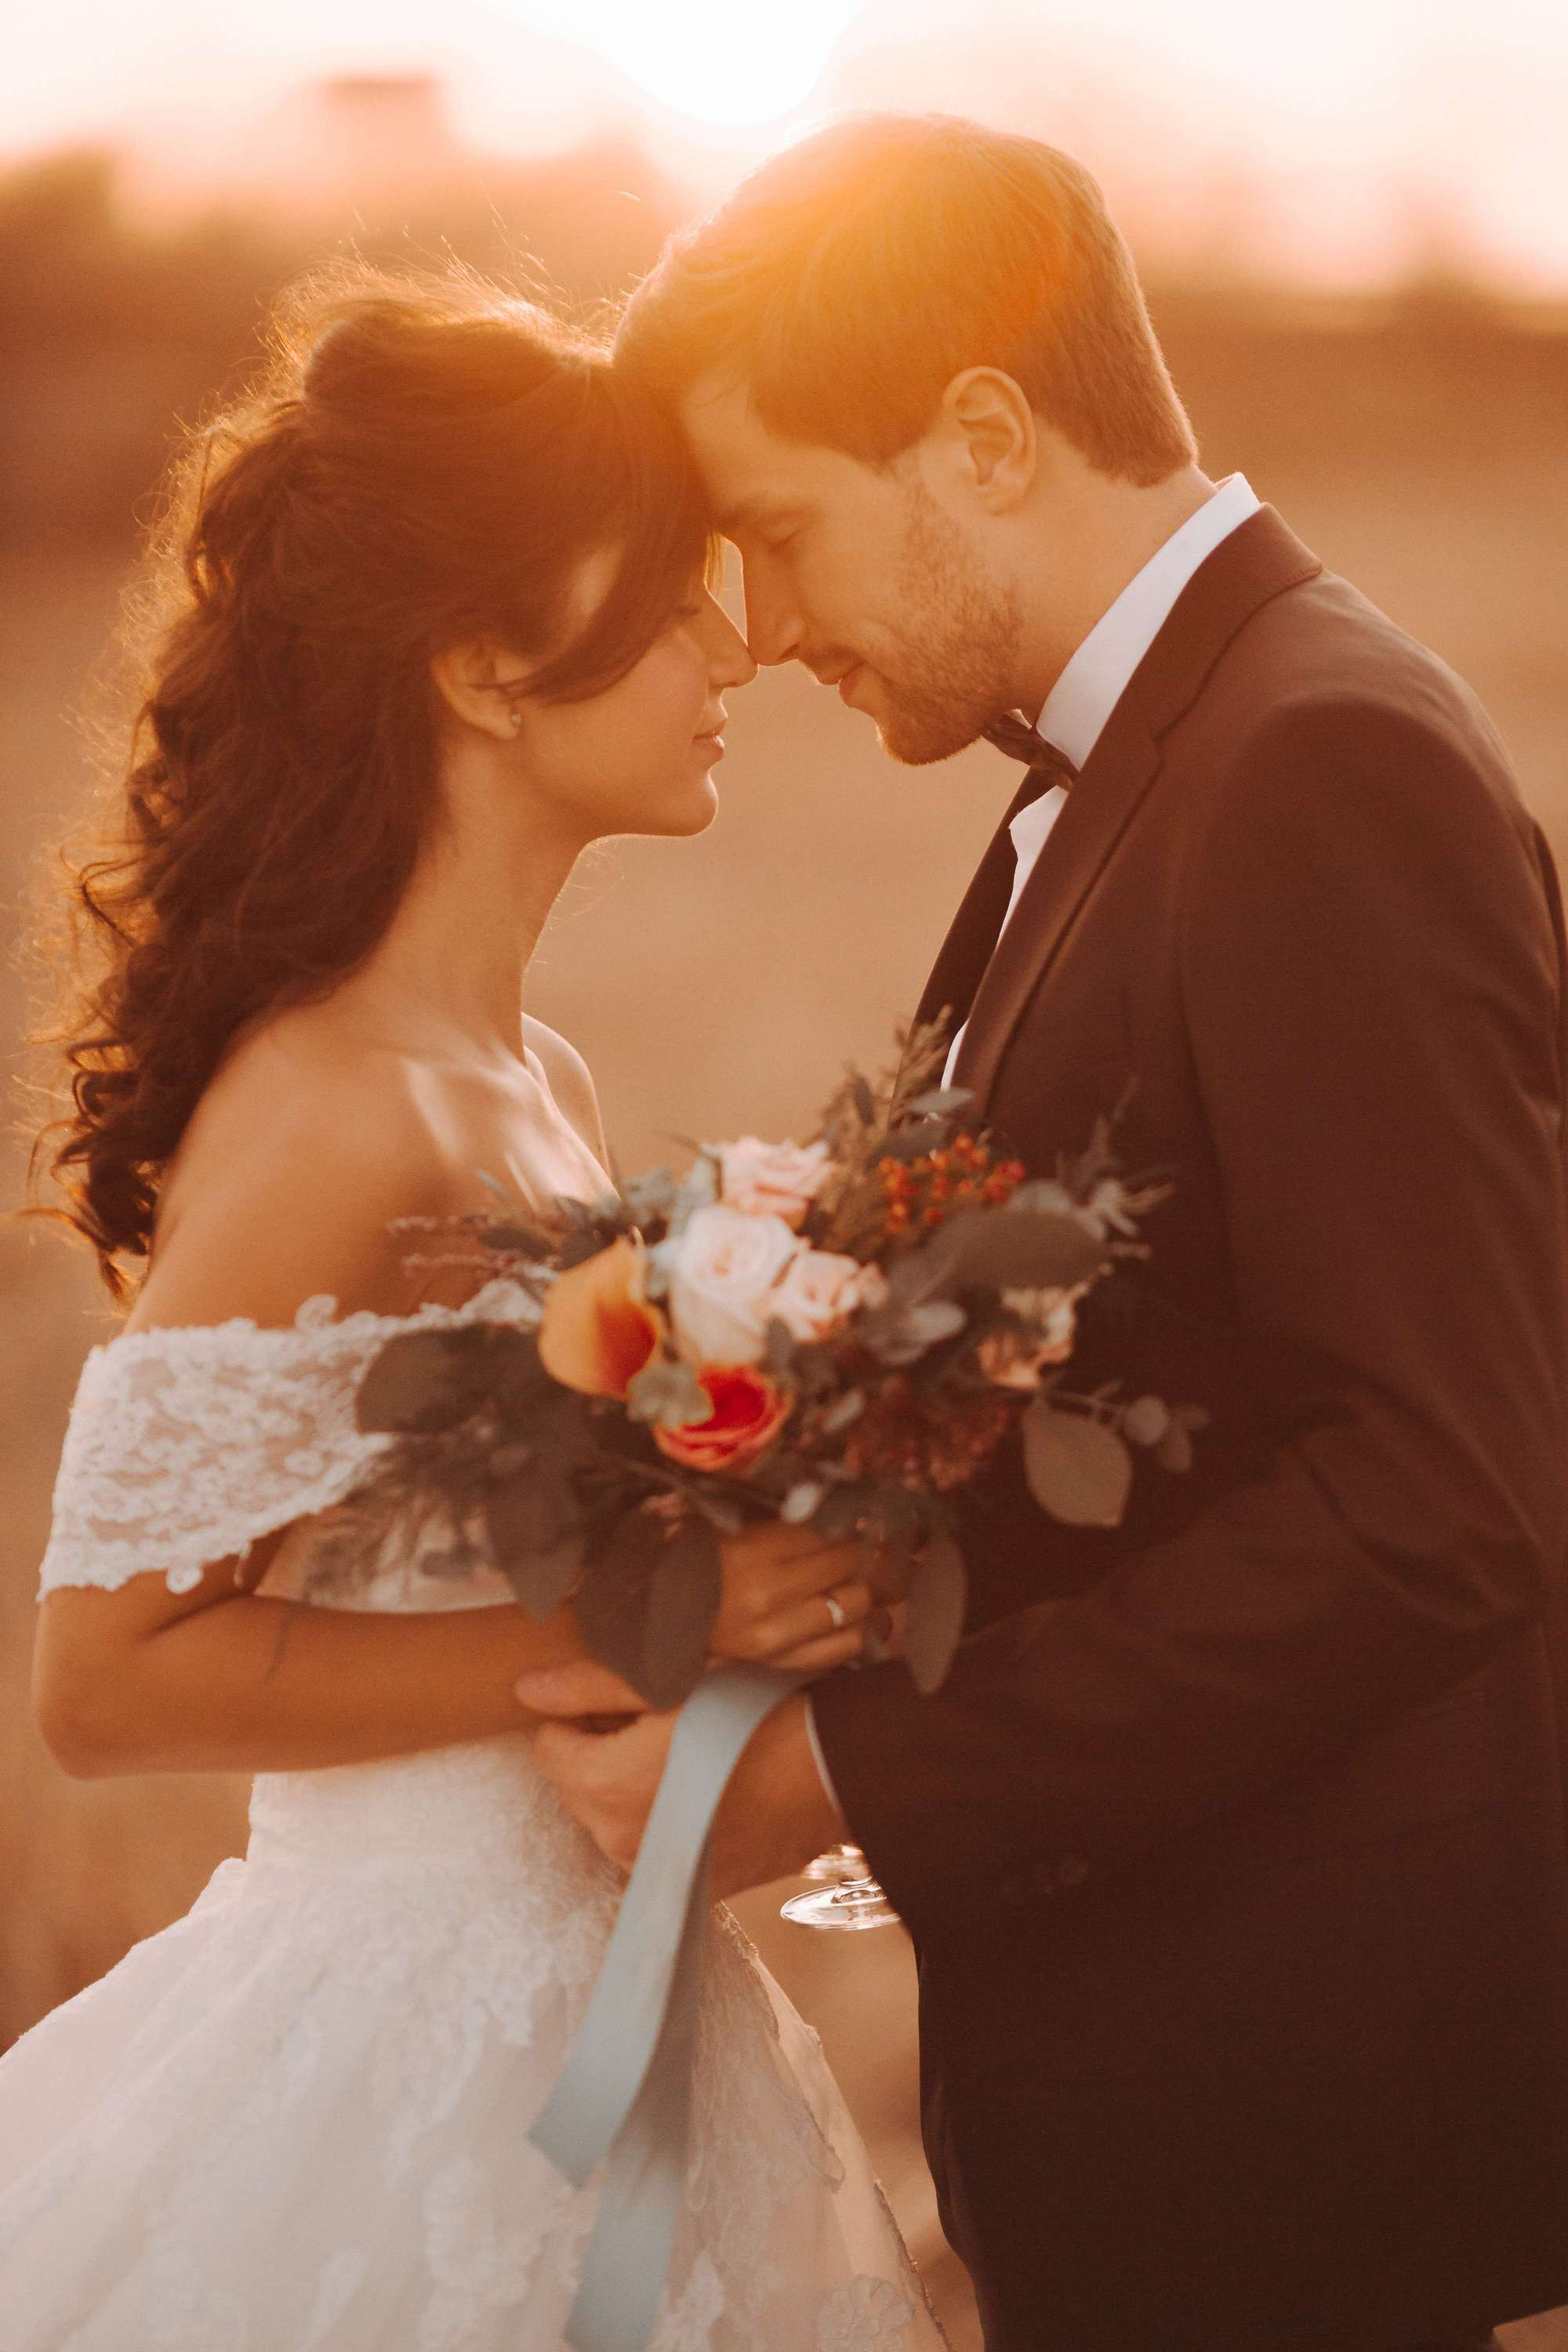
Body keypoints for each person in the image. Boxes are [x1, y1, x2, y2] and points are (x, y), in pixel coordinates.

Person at [521, 112, 1568, 2352]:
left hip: (1286, 2126)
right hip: (1155, 2093)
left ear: (983, 434)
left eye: (781, 535)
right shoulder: (1126, 771)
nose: (768, 627)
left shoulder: (1317, 770)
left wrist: (838, 1774)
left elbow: (1440, 1499)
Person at [0, 265, 945, 2350]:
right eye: (668, 599)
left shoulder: (530, 1082)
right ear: (484, 666)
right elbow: (107, 1674)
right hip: (393, 2060)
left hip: (605, 2009)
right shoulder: (340, 1101)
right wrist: (652, 1622)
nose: (738, 645)